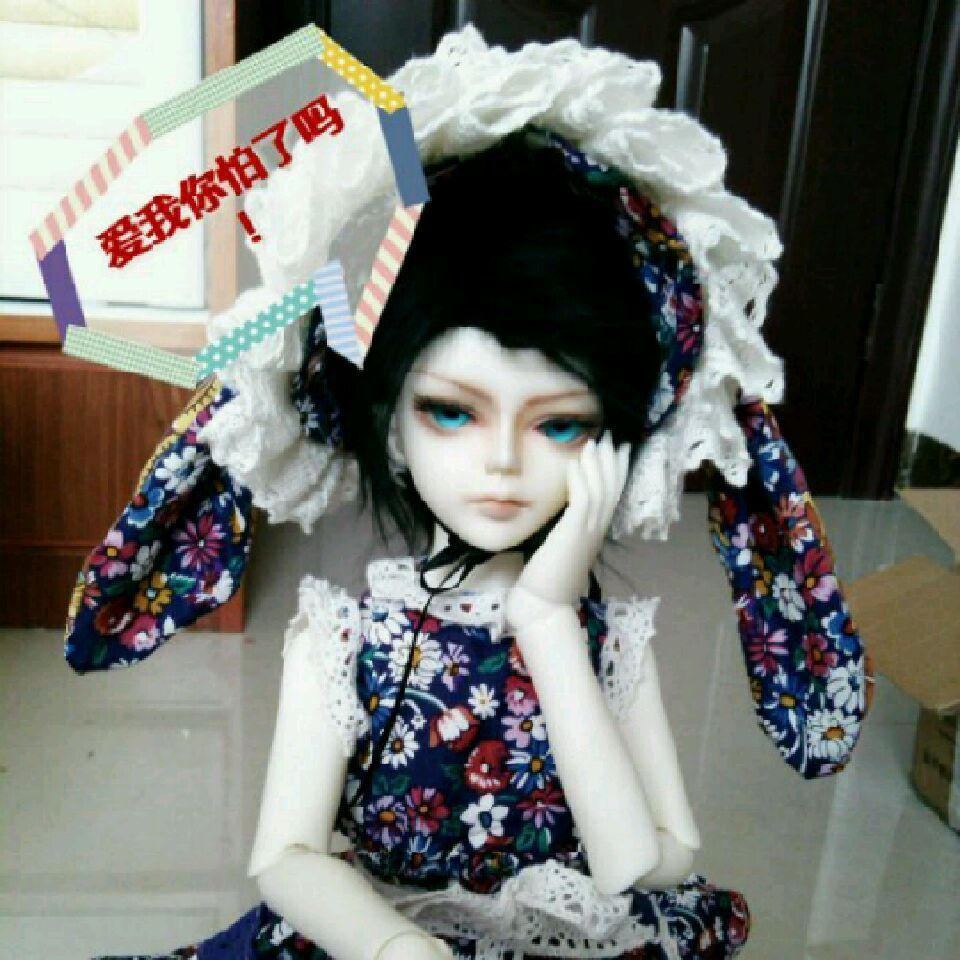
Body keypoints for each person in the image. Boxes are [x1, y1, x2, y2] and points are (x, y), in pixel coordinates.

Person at [64, 28, 869, 960]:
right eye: (451, 412)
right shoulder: (345, 636)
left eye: (559, 425)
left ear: (620, 443)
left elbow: (639, 864)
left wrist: (548, 618)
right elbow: (285, 857)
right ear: (389, 425)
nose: (502, 465)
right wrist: (398, 949)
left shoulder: (610, 639)